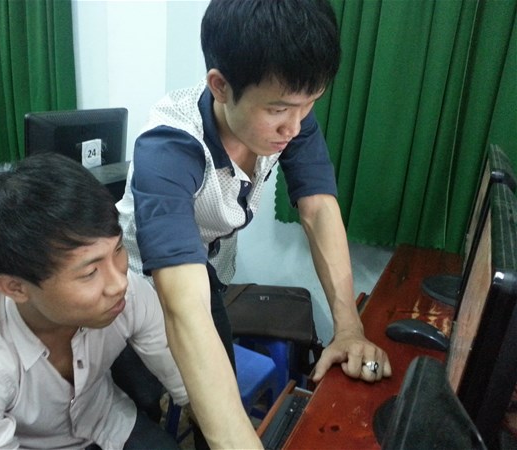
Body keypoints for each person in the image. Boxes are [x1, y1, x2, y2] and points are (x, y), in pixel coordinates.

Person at [116, 0, 392, 447]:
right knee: (145, 407)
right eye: (279, 110)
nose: (294, 127)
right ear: (221, 86)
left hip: (204, 269)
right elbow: (182, 303)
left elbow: (318, 209)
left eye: (309, 105)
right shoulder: (169, 149)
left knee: (219, 399)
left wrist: (348, 327)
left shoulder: (289, 116)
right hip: (134, 286)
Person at [0, 153, 187, 449]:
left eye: (118, 250)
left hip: (107, 419)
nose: (120, 283)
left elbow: (187, 379)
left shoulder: (129, 293)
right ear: (15, 287)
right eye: (90, 272)